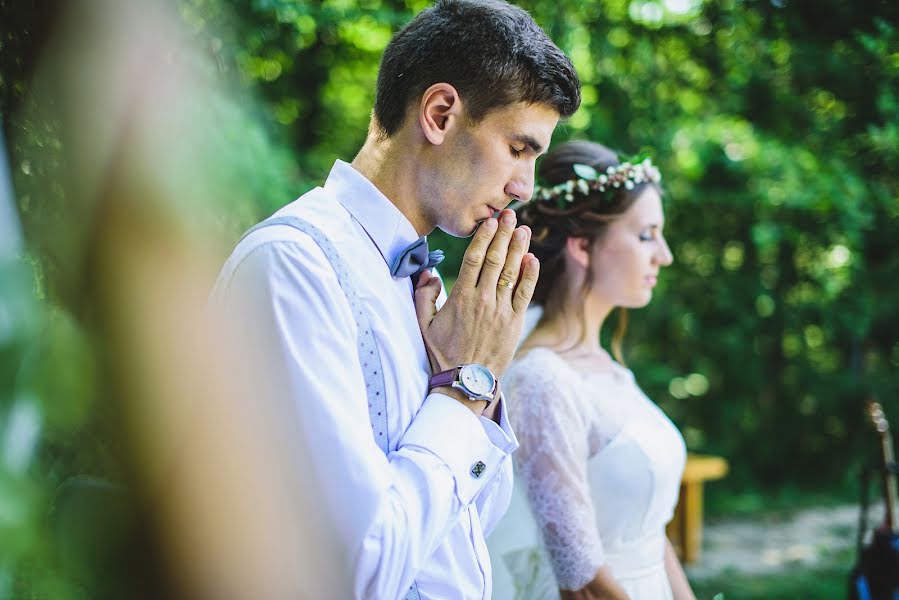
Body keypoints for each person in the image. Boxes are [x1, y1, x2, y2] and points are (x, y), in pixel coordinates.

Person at [210, 1, 581, 598]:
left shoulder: (422, 293)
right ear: (440, 114)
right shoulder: (292, 267)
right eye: (518, 149)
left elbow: (469, 527)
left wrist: (463, 378)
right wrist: (466, 392)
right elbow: (356, 567)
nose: (524, 189)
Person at [487, 140, 696, 600]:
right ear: (582, 245)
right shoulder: (542, 379)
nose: (664, 254)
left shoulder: (610, 367)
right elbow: (580, 580)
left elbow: (648, 529)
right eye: (646, 235)